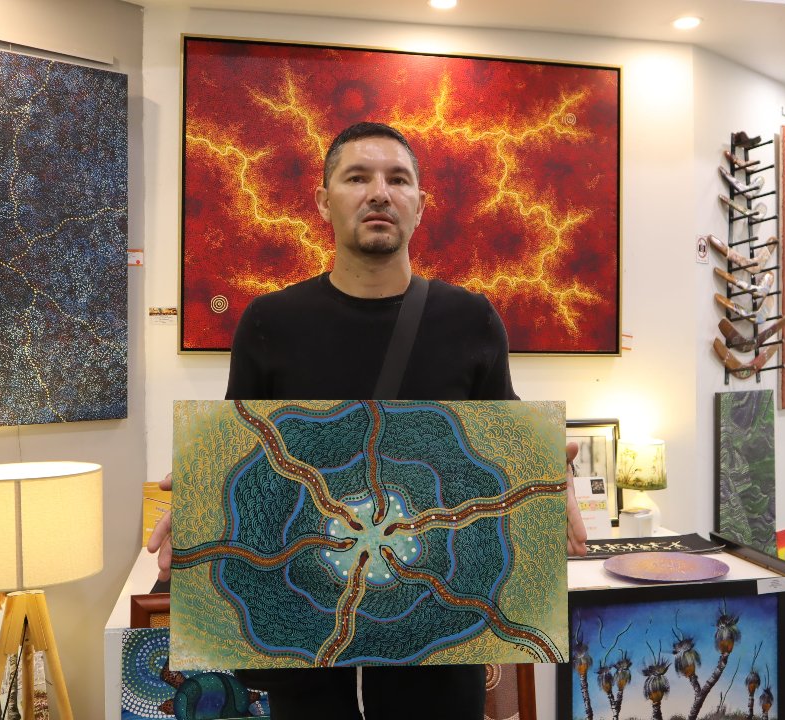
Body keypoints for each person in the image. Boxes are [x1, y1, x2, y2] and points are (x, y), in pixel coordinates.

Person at [148, 121, 587, 719]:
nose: (379, 192)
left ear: (420, 206)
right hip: (301, 622)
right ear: (324, 202)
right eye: (358, 177)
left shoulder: (471, 319)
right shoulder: (270, 321)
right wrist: (200, 504)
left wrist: (543, 481)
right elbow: (244, 448)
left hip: (437, 630)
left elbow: (499, 436)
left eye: (397, 179)